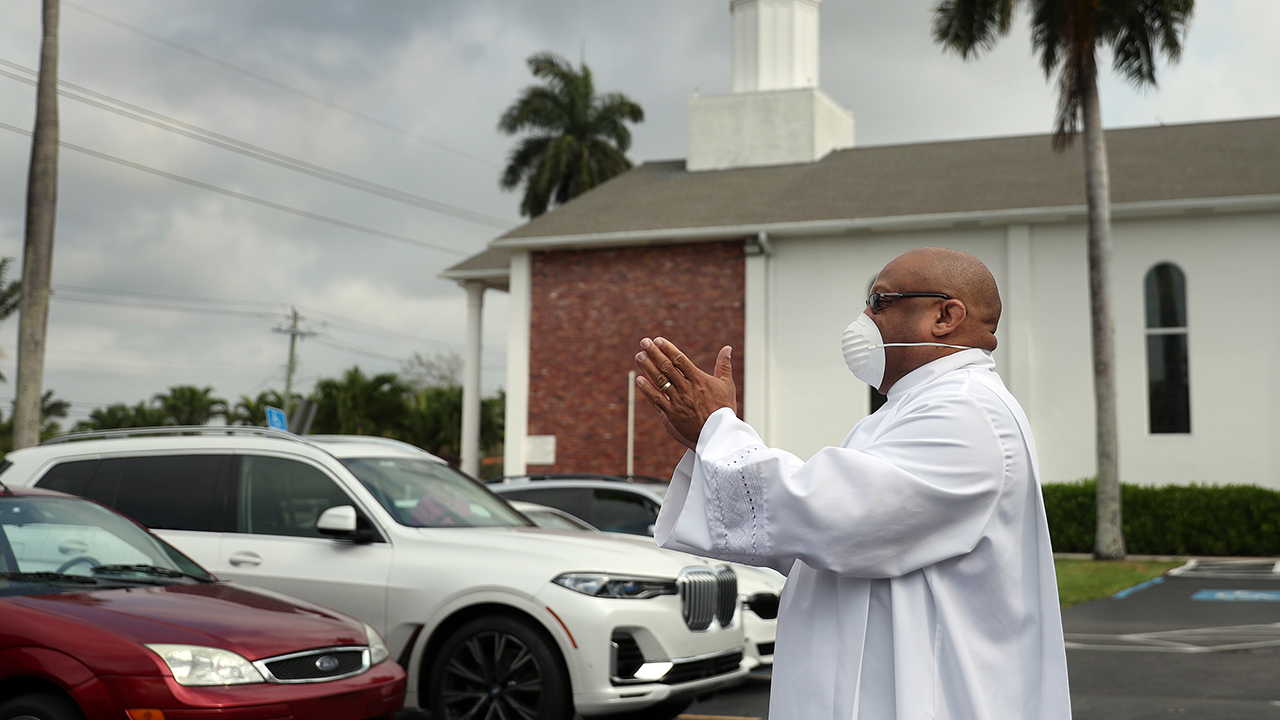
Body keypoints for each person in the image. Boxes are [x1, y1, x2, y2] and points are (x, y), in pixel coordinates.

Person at [633, 247, 1070, 720]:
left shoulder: (967, 411)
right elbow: (809, 542)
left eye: (879, 302)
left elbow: (837, 519)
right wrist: (708, 441)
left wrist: (717, 428)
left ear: (945, 316)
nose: (864, 317)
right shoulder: (902, 412)